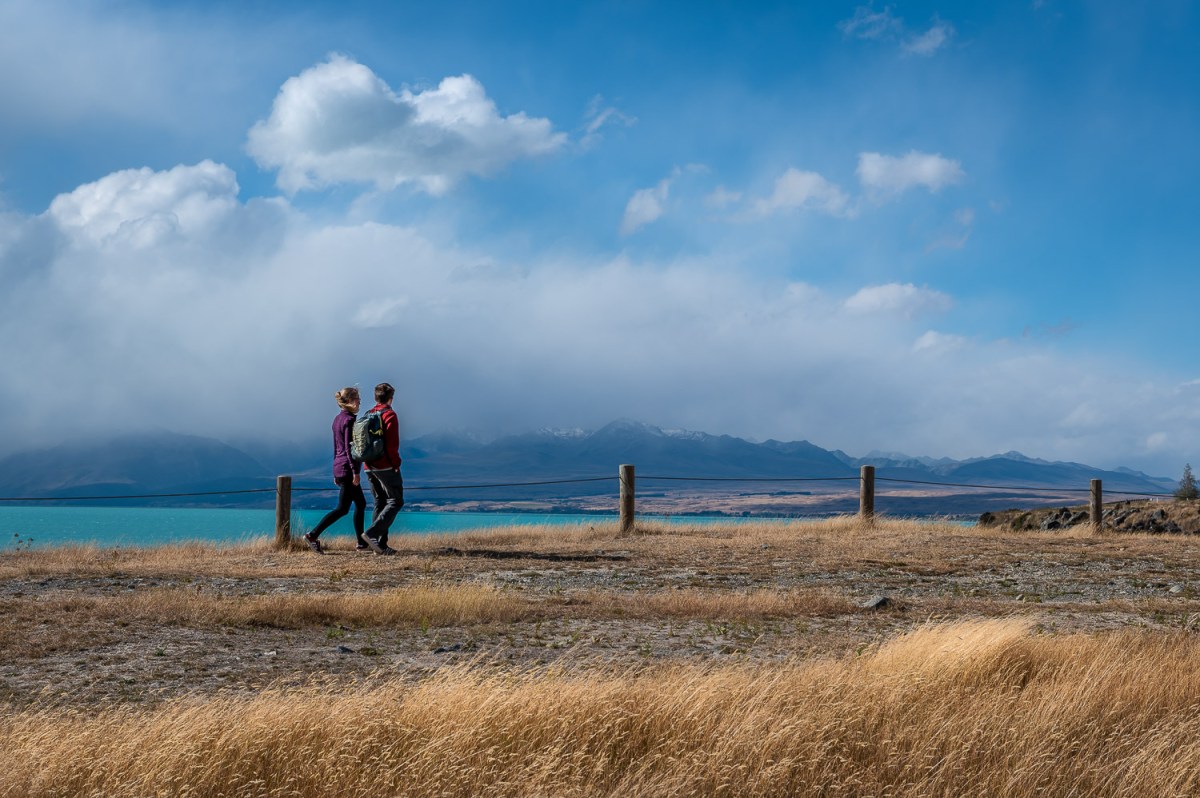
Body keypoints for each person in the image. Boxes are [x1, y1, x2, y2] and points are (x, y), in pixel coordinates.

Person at [303, 387, 368, 554]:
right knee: (342, 508)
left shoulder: (337, 419)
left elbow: (336, 447)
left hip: (340, 467)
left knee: (358, 504)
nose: (360, 401)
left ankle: (361, 542)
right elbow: (348, 448)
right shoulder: (349, 421)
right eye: (358, 398)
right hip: (347, 468)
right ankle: (312, 535)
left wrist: (335, 471)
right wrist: (355, 472)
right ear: (352, 401)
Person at [362, 382, 403, 555]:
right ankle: (372, 534)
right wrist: (396, 464)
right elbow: (392, 445)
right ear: (391, 398)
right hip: (385, 465)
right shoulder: (390, 415)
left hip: (368, 466)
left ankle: (380, 545)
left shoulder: (368, 414)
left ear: (375, 397)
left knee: (379, 502)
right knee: (395, 501)